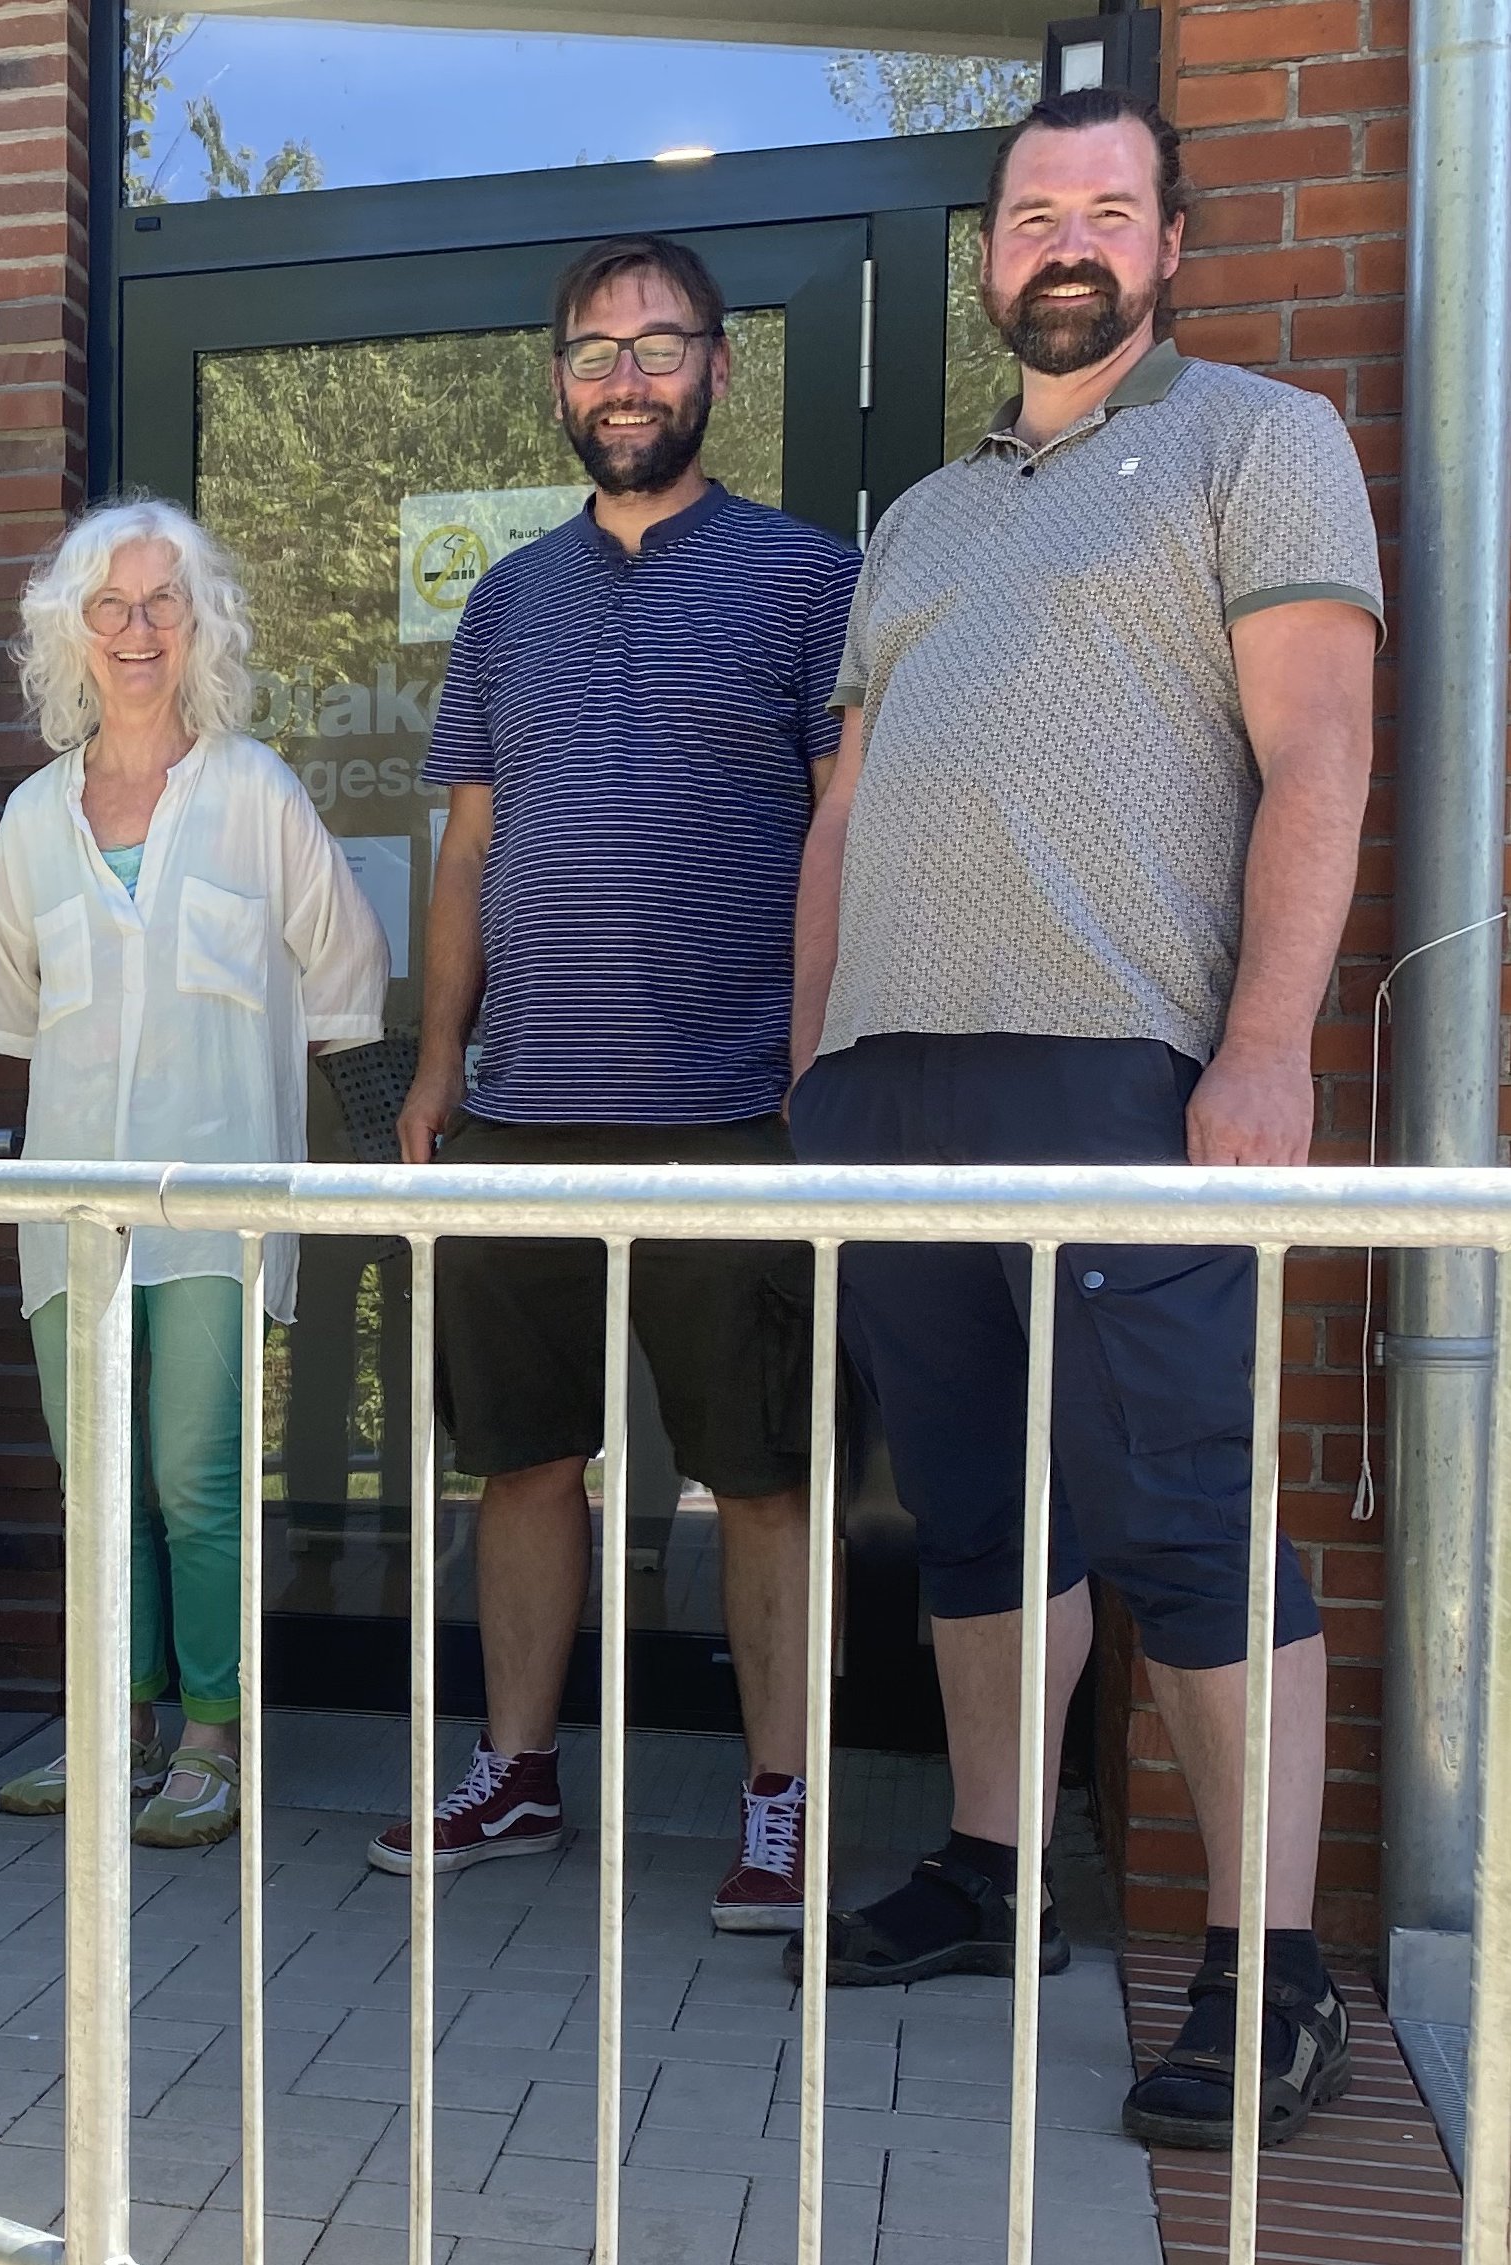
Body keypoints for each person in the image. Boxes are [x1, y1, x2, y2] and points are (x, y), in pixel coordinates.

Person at [787, 90, 1377, 2150]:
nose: (1065, 238)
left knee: (1185, 1513)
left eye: (1104, 209)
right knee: (972, 1506)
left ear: (1167, 245)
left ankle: (1264, 1959)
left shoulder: (1254, 441)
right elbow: (846, 807)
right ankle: (991, 1867)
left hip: (1122, 1064)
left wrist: (1267, 1046)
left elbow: (1317, 751)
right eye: (1031, 208)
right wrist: (809, 1071)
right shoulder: (920, 516)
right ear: (985, 253)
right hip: (889, 1086)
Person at [382, 236, 857, 1933]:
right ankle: (517, 1772)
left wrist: (819, 1065)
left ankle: (782, 1796)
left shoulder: (815, 580)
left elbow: (849, 833)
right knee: (519, 1457)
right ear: (560, 382)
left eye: (659, 346)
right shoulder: (508, 596)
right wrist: (439, 1061)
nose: (627, 378)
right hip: (524, 1104)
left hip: (737, 1108)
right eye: (594, 352)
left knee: (763, 1470)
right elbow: (470, 847)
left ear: (719, 368)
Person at [0, 497, 387, 1849]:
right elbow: (23, 1017)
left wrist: (372, 1165)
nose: (139, 629)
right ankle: (115, 1732)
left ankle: (213, 1735)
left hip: (214, 1205)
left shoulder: (259, 794)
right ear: (72, 633)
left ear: (198, 625)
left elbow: (347, 975)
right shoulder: (35, 822)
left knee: (194, 1475)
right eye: (112, 604)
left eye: (164, 603)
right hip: (70, 1213)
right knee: (93, 1482)